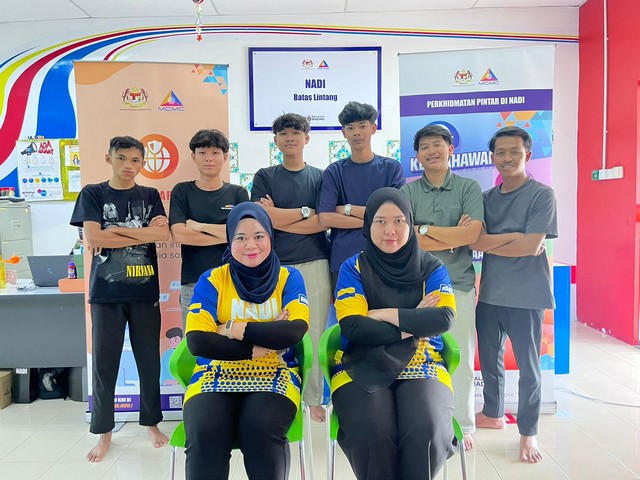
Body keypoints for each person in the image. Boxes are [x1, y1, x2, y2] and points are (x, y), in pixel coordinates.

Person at [331, 187, 457, 480]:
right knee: (371, 429)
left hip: (422, 361)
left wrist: (382, 314)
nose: (390, 230)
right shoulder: (354, 268)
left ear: (410, 223)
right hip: (362, 360)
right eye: (380, 221)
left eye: (399, 221)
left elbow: (443, 318)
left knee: (426, 427)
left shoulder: (432, 267)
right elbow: (354, 327)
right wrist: (413, 325)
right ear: (368, 225)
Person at [183, 202, 310, 480]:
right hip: (215, 373)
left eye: (259, 236)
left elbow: (292, 332)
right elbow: (198, 342)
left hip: (276, 371)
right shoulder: (212, 279)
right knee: (205, 431)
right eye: (240, 237)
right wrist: (258, 346)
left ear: (271, 237)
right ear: (230, 240)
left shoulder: (289, 277)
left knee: (260, 428)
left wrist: (230, 328)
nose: (250, 245)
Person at [69, 136, 170, 462]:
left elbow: (161, 234)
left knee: (149, 361)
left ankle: (151, 423)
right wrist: (138, 232)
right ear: (109, 158)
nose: (129, 165)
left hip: (145, 291)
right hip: (106, 293)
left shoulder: (150, 195)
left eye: (135, 160)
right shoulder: (93, 193)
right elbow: (92, 237)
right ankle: (104, 432)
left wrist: (113, 232)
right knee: (104, 364)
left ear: (143, 163)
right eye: (122, 158)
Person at [469, 126, 558, 463]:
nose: (507, 158)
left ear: (528, 155)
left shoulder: (542, 195)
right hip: (490, 294)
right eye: (501, 152)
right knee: (489, 361)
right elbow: (474, 240)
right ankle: (492, 413)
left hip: (528, 296)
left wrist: (501, 241)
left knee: (529, 369)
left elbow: (532, 245)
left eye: (515, 152)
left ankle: (528, 433)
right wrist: (515, 238)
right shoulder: (485, 199)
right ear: (492, 157)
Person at [401, 124, 484, 451]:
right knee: (416, 355)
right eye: (424, 147)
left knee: (460, 354)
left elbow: (471, 235)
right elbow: (406, 239)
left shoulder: (468, 187)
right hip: (417, 285)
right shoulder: (407, 192)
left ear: (450, 149)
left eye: (437, 145)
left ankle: (463, 423)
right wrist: (450, 237)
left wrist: (426, 230)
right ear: (417, 155)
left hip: (458, 283)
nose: (431, 151)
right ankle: (422, 418)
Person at [251, 113, 331, 423]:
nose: (290, 138)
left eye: (296, 133)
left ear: (306, 138)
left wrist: (281, 216)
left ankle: (313, 399)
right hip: (275, 266)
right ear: (276, 140)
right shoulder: (265, 175)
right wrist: (305, 213)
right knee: (275, 330)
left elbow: (322, 222)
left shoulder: (321, 177)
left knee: (313, 332)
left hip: (315, 261)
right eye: (283, 133)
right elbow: (262, 218)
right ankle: (277, 391)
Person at [318, 101, 405, 290]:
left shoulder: (391, 168)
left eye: (362, 126)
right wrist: (377, 220)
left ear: (373, 128)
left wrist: (347, 209)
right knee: (347, 310)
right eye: (350, 128)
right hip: (344, 260)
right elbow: (325, 218)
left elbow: (398, 214)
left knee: (386, 309)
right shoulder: (334, 171)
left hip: (386, 257)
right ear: (344, 132)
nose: (356, 132)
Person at [169, 129, 249, 330]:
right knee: (195, 341)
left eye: (215, 152)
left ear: (225, 157)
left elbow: (244, 236)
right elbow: (179, 234)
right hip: (194, 282)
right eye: (202, 153)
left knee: (236, 339)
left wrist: (199, 226)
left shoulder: (238, 193)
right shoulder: (182, 191)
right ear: (193, 156)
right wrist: (227, 234)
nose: (208, 158)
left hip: (234, 281)